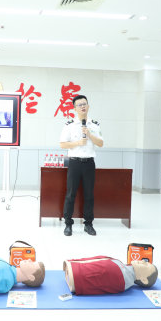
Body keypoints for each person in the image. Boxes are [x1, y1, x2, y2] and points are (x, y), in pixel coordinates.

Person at [59, 95, 103, 236]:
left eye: (84, 104)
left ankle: (88, 224)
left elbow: (100, 143)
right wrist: (78, 143)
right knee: (70, 194)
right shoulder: (69, 125)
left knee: (89, 195)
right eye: (79, 104)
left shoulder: (94, 125)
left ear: (88, 106)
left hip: (89, 163)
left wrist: (89, 134)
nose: (83, 106)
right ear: (74, 108)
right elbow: (62, 144)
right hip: (75, 163)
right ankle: (68, 224)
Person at [63, 257, 158, 295]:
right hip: (72, 267)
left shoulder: (123, 279)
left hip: (75, 276)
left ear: (144, 280)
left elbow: (97, 276)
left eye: (147, 266)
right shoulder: (123, 268)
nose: (143, 261)